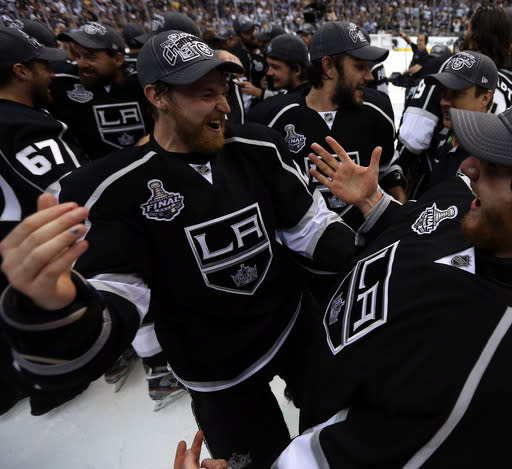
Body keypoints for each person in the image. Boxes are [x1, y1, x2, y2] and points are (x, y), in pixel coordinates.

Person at [179, 78, 512, 468]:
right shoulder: (483, 213)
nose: (468, 166)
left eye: (501, 163)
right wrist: (373, 203)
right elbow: (422, 229)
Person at [0, 30, 363, 469]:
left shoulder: (259, 148)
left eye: (225, 92)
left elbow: (308, 228)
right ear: (156, 96)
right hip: (215, 370)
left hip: (292, 330)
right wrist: (57, 308)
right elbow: (120, 296)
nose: (225, 106)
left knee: (333, 440)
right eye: (205, 94)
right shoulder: (111, 189)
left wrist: (378, 246)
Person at [0, 26, 87, 417]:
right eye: (41, 66)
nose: (51, 74)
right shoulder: (26, 128)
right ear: (21, 71)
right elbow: (75, 202)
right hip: (41, 272)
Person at [247, 21, 406, 215]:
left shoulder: (378, 109)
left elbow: (386, 166)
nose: (369, 76)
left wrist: (397, 189)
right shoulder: (269, 118)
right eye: (359, 66)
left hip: (371, 240)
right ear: (329, 66)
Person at [398, 51, 497, 198]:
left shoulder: (491, 160)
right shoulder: (445, 139)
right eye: (443, 93)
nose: (444, 102)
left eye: (456, 94)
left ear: (485, 98)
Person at [49, 22, 150, 159]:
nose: (81, 64)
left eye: (91, 57)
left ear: (118, 59)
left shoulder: (145, 78)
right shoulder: (61, 81)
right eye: (78, 56)